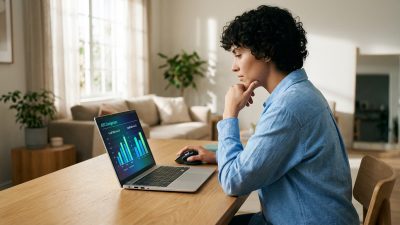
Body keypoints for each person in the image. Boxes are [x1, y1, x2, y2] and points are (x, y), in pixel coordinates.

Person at [177, 5, 359, 225]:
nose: (234, 67)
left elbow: (233, 182)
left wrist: (229, 114)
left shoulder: (289, 107)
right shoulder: (300, 93)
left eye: (238, 55)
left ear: (265, 52)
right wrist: (218, 156)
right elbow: (271, 156)